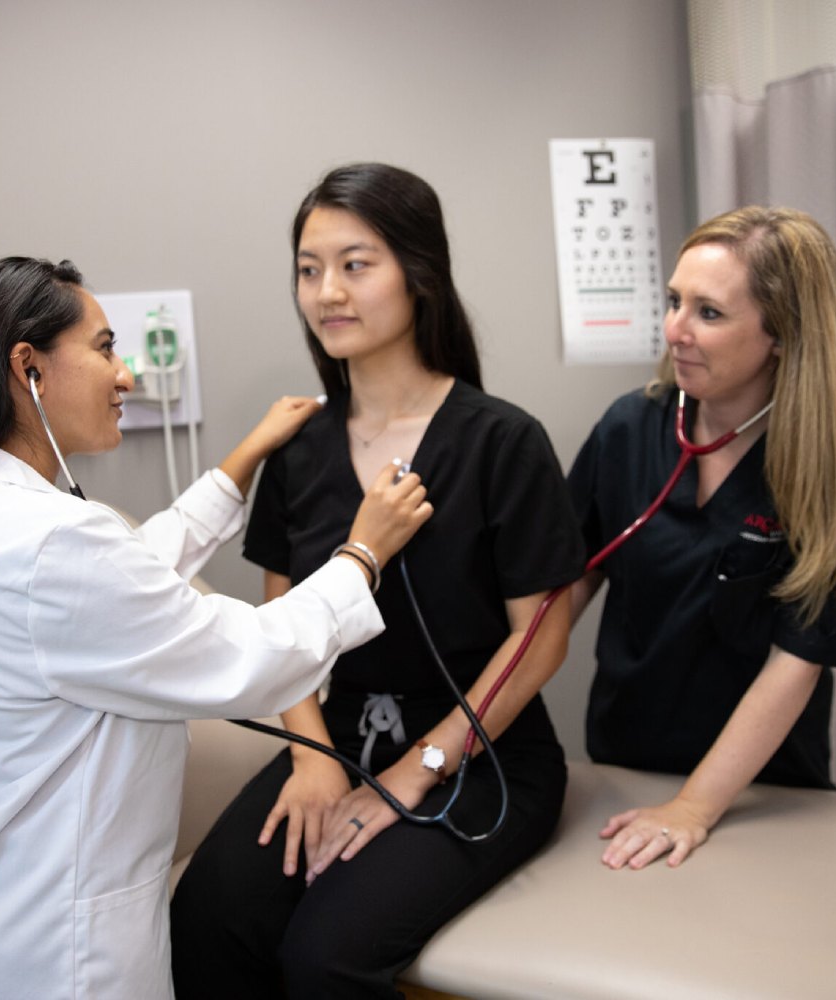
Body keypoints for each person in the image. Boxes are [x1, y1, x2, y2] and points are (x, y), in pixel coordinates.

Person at [0, 256, 432, 999]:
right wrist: (362, 552)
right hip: (56, 956)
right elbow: (249, 657)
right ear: (29, 369)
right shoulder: (49, 542)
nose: (126, 375)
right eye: (105, 347)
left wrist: (243, 458)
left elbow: (125, 580)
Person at [169, 163, 586, 998]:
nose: (327, 291)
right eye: (308, 268)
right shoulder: (300, 446)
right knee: (206, 920)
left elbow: (540, 640)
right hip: (335, 739)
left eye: (356, 264)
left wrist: (415, 772)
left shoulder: (502, 441)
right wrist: (315, 759)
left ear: (419, 275)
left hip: (480, 754)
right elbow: (282, 618)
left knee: (326, 957)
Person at [567, 205, 836, 871]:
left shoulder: (829, 473)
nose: (675, 329)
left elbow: (793, 666)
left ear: (783, 335)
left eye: (708, 313)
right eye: (674, 301)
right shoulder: (628, 429)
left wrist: (694, 809)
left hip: (762, 794)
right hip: (620, 774)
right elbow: (558, 593)